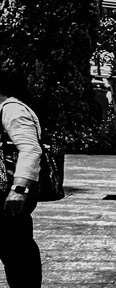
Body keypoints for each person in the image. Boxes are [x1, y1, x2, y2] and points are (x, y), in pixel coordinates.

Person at [0, 67, 43, 288]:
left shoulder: (12, 109)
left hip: (7, 195)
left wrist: (19, 189)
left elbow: (30, 149)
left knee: (18, 253)